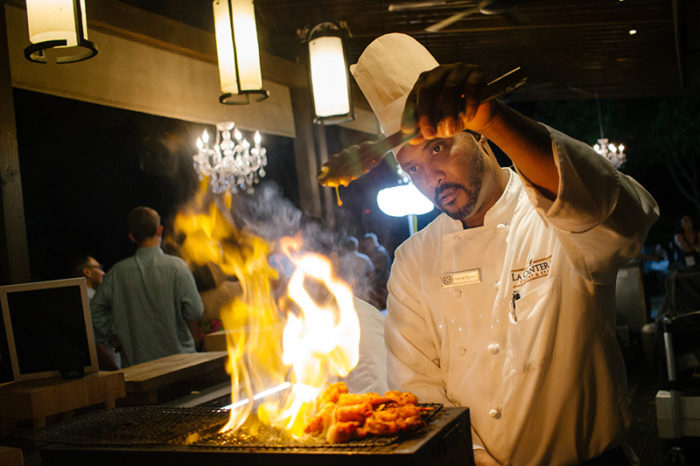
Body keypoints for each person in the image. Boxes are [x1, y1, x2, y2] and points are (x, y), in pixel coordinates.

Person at [350, 33, 659, 465]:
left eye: (439, 148)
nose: (431, 178)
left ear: (480, 139)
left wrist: (495, 117)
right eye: (414, 168)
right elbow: (419, 394)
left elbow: (625, 217)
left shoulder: (556, 214)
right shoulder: (413, 260)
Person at [91, 206, 204, 367]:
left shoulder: (116, 273)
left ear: (131, 237)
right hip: (181, 363)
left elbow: (95, 315)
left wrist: (114, 335)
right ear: (159, 230)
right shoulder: (177, 267)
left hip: (139, 368)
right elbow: (196, 310)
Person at [337, 236, 374, 303]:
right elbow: (372, 274)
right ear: (356, 247)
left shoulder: (340, 260)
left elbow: (335, 275)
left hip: (345, 290)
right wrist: (368, 286)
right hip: (361, 291)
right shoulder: (365, 259)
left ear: (346, 247)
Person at [360, 232, 392, 310]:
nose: (366, 246)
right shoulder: (376, 251)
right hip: (378, 285)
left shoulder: (380, 252)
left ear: (372, 242)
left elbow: (376, 267)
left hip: (382, 285)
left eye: (367, 243)